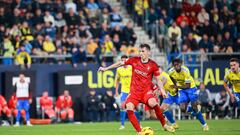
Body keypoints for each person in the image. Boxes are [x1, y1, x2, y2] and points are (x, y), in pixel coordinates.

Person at [98, 44, 175, 134]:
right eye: (140, 51)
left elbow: (158, 80)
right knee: (129, 108)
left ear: (148, 52)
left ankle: (164, 125)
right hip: (134, 92)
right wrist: (106, 68)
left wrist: (162, 91)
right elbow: (119, 63)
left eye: (143, 51)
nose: (141, 53)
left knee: (154, 103)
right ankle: (139, 131)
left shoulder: (153, 65)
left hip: (146, 92)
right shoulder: (134, 60)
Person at [168, 58, 209, 131]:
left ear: (181, 64)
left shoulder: (185, 71)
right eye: (175, 65)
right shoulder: (171, 71)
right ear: (173, 65)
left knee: (194, 107)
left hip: (191, 88)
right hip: (182, 90)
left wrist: (177, 86)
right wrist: (176, 85)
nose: (176, 66)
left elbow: (188, 86)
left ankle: (204, 125)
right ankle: (195, 112)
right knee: (183, 109)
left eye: (178, 64)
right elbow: (171, 77)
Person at [115, 55, 133, 129]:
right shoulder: (119, 70)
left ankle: (138, 123)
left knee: (134, 108)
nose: (124, 62)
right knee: (122, 106)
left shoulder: (132, 68)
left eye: (125, 60)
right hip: (124, 90)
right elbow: (117, 80)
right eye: (122, 60)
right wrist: (116, 91)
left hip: (132, 90)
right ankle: (122, 125)